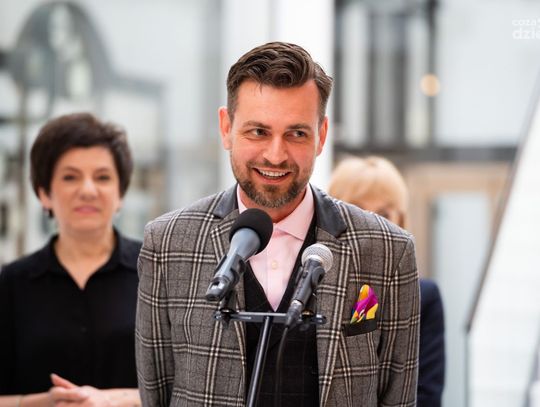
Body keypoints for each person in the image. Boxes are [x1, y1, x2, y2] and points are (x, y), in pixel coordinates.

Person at [136, 42, 420, 406]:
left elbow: (398, 397)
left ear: (321, 136)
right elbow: (156, 393)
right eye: (258, 131)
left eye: (296, 133)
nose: (275, 154)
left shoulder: (389, 250)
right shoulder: (166, 244)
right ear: (226, 128)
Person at [0, 113, 142, 406]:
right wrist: (43, 402)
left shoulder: (155, 270)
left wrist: (115, 400)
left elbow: (187, 384)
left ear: (120, 193)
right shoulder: (12, 283)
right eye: (70, 177)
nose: (87, 190)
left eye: (102, 177)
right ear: (44, 193)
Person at [328, 156, 446, 407]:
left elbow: (427, 392)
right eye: (357, 210)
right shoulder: (311, 287)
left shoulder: (423, 296)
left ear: (400, 222)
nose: (373, 223)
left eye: (383, 213)